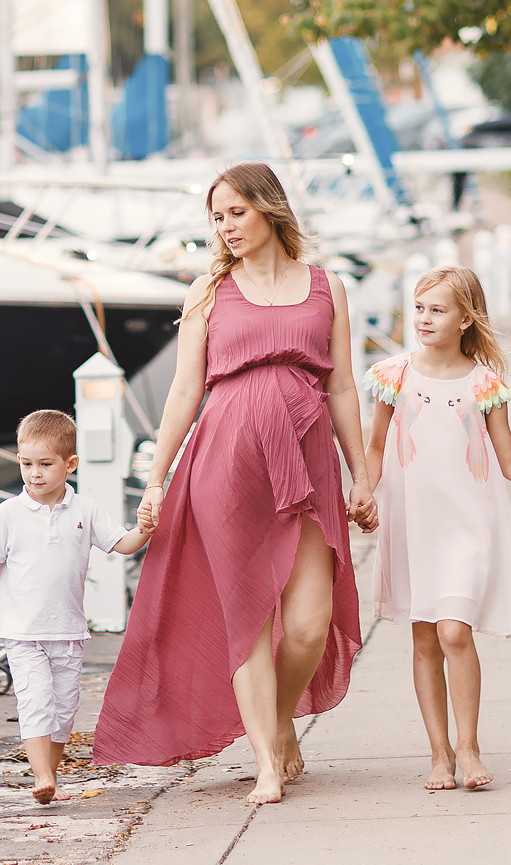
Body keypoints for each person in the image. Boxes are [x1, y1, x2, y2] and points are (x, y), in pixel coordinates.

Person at [92, 162, 379, 803]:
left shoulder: (326, 287)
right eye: (216, 218)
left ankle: (279, 723)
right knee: (246, 615)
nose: (225, 228)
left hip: (307, 461)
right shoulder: (208, 291)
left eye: (235, 213)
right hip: (225, 461)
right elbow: (185, 390)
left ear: (269, 210)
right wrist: (155, 480)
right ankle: (267, 762)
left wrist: (363, 473)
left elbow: (340, 386)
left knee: (309, 622)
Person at [360, 266, 511, 792]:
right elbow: (373, 447)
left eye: (438, 310)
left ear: (465, 319)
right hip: (412, 522)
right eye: (420, 308)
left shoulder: (483, 385)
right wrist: (363, 492)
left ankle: (468, 747)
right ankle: (439, 755)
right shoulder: (394, 376)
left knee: (454, 630)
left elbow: (510, 461)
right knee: (424, 637)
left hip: (467, 525)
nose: (425, 319)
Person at [0, 408, 152, 803]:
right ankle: (42, 777)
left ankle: (51, 773)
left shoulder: (86, 510)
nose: (35, 473)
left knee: (64, 709)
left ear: (70, 464)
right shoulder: (9, 513)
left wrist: (146, 528)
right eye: (27, 464)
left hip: (68, 629)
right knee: (35, 700)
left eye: (45, 464)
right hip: (22, 630)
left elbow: (123, 544)